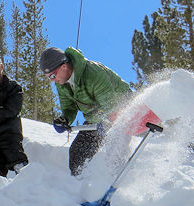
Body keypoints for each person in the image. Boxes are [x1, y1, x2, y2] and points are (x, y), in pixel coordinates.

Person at [39, 47, 131, 177]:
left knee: (114, 150)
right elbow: (69, 107)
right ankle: (82, 187)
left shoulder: (93, 74)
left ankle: (119, 184)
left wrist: (108, 122)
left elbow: (111, 105)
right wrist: (65, 119)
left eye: (53, 75)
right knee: (77, 154)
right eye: (49, 77)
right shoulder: (62, 83)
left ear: (64, 66)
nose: (52, 80)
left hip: (122, 106)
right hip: (98, 117)